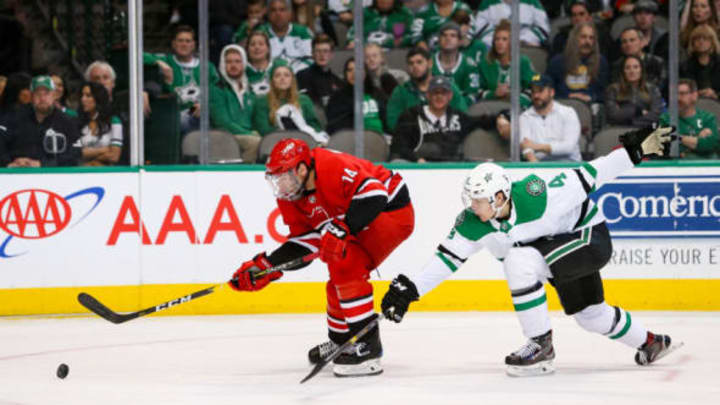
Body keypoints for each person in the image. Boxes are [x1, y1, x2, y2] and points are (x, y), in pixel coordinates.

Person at [380, 125, 679, 376]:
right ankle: (651, 342)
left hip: (588, 238)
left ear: (499, 197)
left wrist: (634, 152)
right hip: (557, 250)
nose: (472, 205)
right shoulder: (474, 221)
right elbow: (446, 260)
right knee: (591, 316)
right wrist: (411, 291)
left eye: (479, 199)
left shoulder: (538, 195)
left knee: (519, 260)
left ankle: (540, 345)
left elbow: (592, 173)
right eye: (471, 198)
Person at [228, 137, 415, 377]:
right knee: (338, 270)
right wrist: (267, 266)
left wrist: (343, 228)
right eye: (275, 179)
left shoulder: (331, 165)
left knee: (345, 262)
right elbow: (308, 240)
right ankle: (342, 341)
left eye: (284, 177)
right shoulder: (290, 195)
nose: (281, 185)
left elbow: (375, 195)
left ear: (303, 169)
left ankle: (367, 346)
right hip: (360, 215)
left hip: (391, 211)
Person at [391, 76, 496, 162]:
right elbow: (398, 146)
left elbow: (482, 121)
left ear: (450, 96)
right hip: (421, 168)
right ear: (428, 95)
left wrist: (503, 117)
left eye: (443, 93)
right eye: (435, 92)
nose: (439, 97)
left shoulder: (458, 117)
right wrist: (416, 159)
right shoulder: (411, 116)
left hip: (451, 169)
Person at [143, 25, 220, 135]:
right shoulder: (167, 60)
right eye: (180, 41)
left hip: (200, 113)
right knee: (183, 118)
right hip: (175, 114)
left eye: (188, 41)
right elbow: (137, 56)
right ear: (174, 44)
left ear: (193, 45)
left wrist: (205, 104)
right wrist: (157, 62)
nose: (184, 44)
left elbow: (217, 93)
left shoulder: (207, 67)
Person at [4, 75, 81, 167]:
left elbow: (75, 155)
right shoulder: (13, 118)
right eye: (38, 94)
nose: (42, 98)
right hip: (15, 174)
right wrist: (9, 163)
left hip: (55, 177)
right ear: (31, 97)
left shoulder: (67, 122)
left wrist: (42, 164)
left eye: (46, 93)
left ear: (54, 95)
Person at [386, 47, 468, 132]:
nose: (415, 66)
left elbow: (462, 116)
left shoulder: (449, 87)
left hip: (447, 137)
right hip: (415, 140)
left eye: (419, 62)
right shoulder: (400, 91)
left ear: (430, 63)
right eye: (411, 63)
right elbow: (393, 123)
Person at [251, 62, 328, 143]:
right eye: (277, 75)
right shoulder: (261, 102)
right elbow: (263, 130)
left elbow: (314, 125)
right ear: (272, 81)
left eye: (286, 75)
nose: (282, 78)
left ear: (292, 79)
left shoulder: (304, 100)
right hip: (275, 144)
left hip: (304, 142)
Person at [209, 44, 261, 163]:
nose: (233, 65)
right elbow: (222, 122)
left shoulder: (250, 89)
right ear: (223, 64)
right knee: (256, 143)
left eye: (238, 61)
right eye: (229, 62)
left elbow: (256, 118)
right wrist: (249, 134)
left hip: (248, 134)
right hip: (225, 135)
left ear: (244, 63)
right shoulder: (216, 89)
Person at [235, 0, 315, 73]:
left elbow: (311, 59)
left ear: (290, 13)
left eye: (282, 10)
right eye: (273, 10)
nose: (278, 14)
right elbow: (240, 54)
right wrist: (248, 32)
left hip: (301, 77)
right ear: (268, 13)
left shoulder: (303, 32)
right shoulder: (260, 32)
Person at [518, 74, 582, 162]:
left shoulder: (568, 112)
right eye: (533, 91)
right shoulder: (525, 117)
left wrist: (536, 146)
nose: (536, 96)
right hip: (539, 165)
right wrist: (537, 167)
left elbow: (568, 147)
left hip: (570, 165)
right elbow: (526, 148)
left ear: (552, 92)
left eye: (540, 91)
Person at [546, 21, 609, 104]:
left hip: (590, 106)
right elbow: (547, 89)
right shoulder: (557, 61)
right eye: (583, 37)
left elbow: (604, 92)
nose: (587, 41)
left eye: (591, 38)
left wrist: (591, 97)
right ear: (574, 39)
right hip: (563, 105)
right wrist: (568, 97)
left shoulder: (601, 62)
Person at [477, 19, 535, 108]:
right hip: (490, 109)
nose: (500, 43)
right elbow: (477, 91)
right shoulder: (485, 63)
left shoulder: (523, 62)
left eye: (504, 39)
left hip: (517, 109)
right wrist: (494, 94)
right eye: (497, 39)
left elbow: (531, 89)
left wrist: (515, 98)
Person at [659, 79, 719, 159]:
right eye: (674, 94)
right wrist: (697, 138)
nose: (677, 98)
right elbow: (669, 147)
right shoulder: (665, 119)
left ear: (694, 96)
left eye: (682, 94)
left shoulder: (708, 118)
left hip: (708, 167)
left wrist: (679, 138)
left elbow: (711, 144)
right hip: (677, 168)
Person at [325, 57, 386, 135]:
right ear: (345, 74)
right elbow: (334, 125)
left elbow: (386, 119)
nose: (354, 73)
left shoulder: (377, 93)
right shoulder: (337, 97)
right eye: (350, 70)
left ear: (365, 72)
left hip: (381, 138)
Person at [605, 55, 663, 128]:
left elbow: (656, 116)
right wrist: (639, 111)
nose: (632, 71)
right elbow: (613, 116)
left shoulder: (652, 89)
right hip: (618, 132)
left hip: (645, 131)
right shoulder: (613, 90)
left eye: (635, 67)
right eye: (627, 68)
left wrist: (629, 119)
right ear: (623, 71)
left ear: (641, 70)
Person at [431, 22, 481, 105]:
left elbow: (472, 95)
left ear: (460, 41)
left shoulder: (470, 65)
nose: (448, 38)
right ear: (439, 40)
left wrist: (457, 106)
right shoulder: (427, 62)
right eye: (444, 35)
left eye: (453, 36)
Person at [77, 82, 123, 166]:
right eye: (82, 95)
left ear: (99, 98)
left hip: (106, 173)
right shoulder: (77, 122)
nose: (83, 99)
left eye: (88, 96)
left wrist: (91, 162)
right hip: (81, 173)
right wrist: (103, 150)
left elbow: (114, 156)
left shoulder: (114, 121)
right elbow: (75, 154)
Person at [472, 0, 550, 48]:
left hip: (526, 46)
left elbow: (543, 28)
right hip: (494, 47)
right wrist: (501, 40)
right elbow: (480, 29)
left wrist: (523, 40)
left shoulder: (532, 1)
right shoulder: (487, 2)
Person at [610, 27, 666, 92]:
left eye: (632, 40)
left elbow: (660, 86)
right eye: (624, 42)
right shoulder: (617, 65)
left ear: (643, 42)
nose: (628, 44)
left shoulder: (657, 63)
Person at [296, 34, 344, 108]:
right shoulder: (301, 76)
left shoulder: (338, 82)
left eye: (325, 51)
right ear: (312, 53)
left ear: (331, 54)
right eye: (318, 51)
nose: (322, 55)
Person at [345, 0, 414, 49]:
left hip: (395, 52)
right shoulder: (365, 13)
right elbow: (352, 34)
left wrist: (399, 41)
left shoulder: (404, 14)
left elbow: (412, 35)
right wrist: (356, 42)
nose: (385, 2)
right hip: (367, 51)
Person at [680, 24, 720, 100]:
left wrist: (715, 94)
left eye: (705, 39)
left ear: (712, 42)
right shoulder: (686, 66)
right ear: (692, 43)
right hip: (694, 104)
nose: (701, 42)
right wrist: (699, 93)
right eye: (697, 39)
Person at [244, 30, 280, 96]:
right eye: (252, 44)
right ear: (247, 49)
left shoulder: (278, 67)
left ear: (268, 48)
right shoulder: (242, 70)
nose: (257, 47)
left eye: (261, 44)